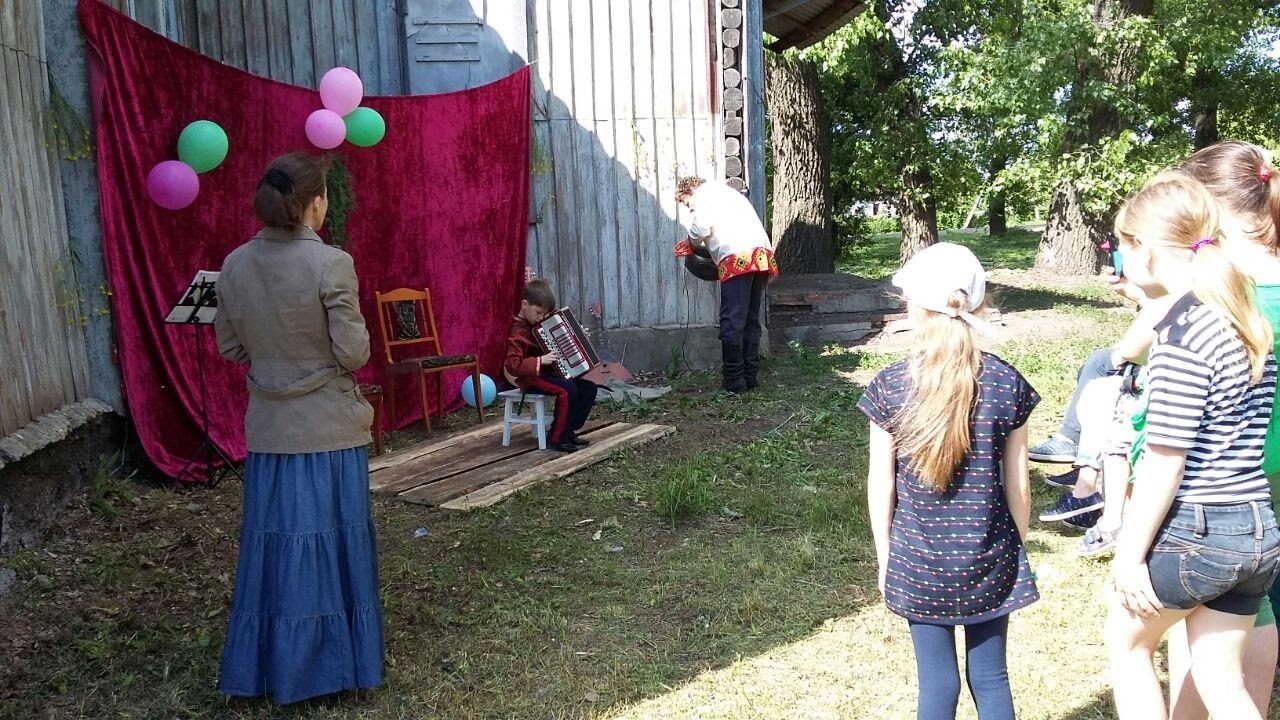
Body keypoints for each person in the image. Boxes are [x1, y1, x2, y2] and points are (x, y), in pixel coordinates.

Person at [1104, 171, 1278, 720]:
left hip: (1198, 529)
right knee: (1223, 684)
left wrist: (1129, 556)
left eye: (1122, 245)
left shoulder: (1179, 337)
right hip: (1256, 526)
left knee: (1128, 644)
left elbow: (1164, 461)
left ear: (1147, 252)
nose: (1118, 256)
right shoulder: (1246, 324)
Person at [214, 152, 383, 703]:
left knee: (277, 548)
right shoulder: (331, 263)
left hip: (270, 431)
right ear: (317, 202)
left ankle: (270, 665)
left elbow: (230, 346)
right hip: (328, 431)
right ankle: (331, 667)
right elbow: (353, 353)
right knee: (329, 546)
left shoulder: (235, 263)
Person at [858, 242, 1039, 720]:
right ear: (979, 304)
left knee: (936, 685)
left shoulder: (889, 385)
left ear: (914, 308)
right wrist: (1014, 551)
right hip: (991, 556)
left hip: (919, 563)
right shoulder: (1007, 383)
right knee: (992, 679)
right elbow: (1019, 486)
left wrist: (885, 558)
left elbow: (883, 485)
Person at [1153, 141, 1280, 719]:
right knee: (1256, 612)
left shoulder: (1221, 295)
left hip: (1219, 481)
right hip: (1258, 492)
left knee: (1207, 634)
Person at [673, 176, 778, 393]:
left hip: (737, 257)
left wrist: (690, 243)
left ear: (690, 191)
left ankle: (733, 380)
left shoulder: (705, 195)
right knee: (750, 319)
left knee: (732, 320)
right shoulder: (731, 195)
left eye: (687, 204)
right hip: (760, 255)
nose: (690, 208)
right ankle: (749, 376)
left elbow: (701, 227)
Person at [504, 279, 596, 453]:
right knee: (567, 390)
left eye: (544, 315)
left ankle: (568, 431)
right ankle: (557, 438)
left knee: (589, 388)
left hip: (549, 375)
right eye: (538, 312)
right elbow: (512, 365)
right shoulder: (518, 332)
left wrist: (579, 336)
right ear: (525, 305)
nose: (541, 318)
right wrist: (540, 360)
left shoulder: (538, 326)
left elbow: (558, 346)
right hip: (531, 379)